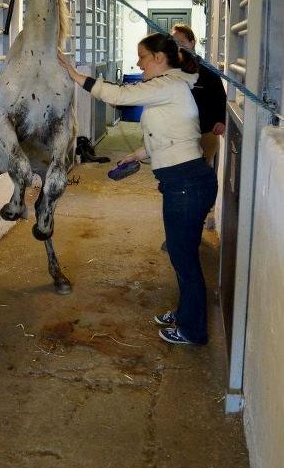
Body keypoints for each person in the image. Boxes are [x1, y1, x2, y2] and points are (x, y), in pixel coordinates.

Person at [58, 33, 218, 346]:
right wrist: (140, 153)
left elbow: (118, 96)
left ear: (159, 58)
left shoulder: (167, 85)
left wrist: (76, 76)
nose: (139, 63)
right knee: (181, 255)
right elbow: (175, 132)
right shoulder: (173, 86)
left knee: (183, 258)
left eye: (142, 57)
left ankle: (192, 330)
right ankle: (186, 313)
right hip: (185, 181)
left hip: (185, 185)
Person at [171, 24, 226, 165]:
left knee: (202, 172)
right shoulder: (169, 71)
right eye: (174, 43)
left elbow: (220, 97)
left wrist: (221, 120)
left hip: (205, 132)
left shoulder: (208, 71)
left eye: (181, 43)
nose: (178, 47)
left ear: (192, 42)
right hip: (177, 133)